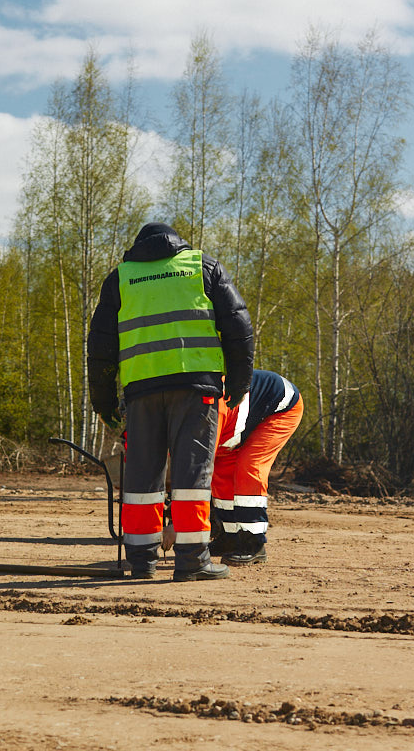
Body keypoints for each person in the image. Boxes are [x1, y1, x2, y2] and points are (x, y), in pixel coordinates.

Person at [88, 222, 254, 581]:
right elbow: (239, 329)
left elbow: (100, 347)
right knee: (192, 473)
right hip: (197, 389)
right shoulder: (203, 268)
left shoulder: (121, 278)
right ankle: (192, 561)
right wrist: (240, 384)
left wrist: (103, 403)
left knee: (142, 477)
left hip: (141, 391)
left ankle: (141, 562)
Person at [210, 369, 303, 565]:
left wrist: (177, 522)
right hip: (238, 420)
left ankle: (253, 543)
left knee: (250, 466)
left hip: (281, 407)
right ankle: (230, 537)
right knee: (221, 468)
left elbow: (197, 470)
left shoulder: (212, 412)